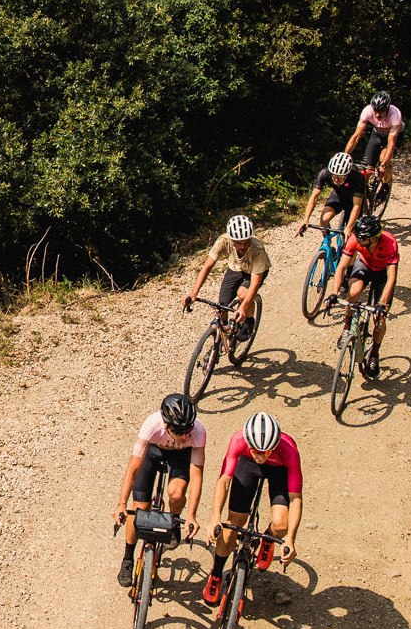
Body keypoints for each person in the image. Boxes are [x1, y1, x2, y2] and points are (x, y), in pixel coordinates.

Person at [202, 411, 303, 604]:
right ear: (249, 443)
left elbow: (296, 497)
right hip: (246, 466)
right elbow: (224, 481)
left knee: (281, 525)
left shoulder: (288, 449)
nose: (260, 456)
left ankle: (267, 540)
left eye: (266, 452)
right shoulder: (239, 440)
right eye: (256, 451)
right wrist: (215, 517)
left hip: (279, 470)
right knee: (232, 525)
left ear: (274, 446)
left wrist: (290, 538)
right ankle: (216, 573)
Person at [115, 393, 205, 586]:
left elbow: (196, 475)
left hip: (181, 456)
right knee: (139, 509)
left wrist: (191, 515)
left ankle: (174, 522)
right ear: (166, 425)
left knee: (177, 492)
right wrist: (121, 503)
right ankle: (128, 558)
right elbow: (133, 468)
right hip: (153, 451)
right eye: (178, 431)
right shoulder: (152, 424)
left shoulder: (198, 432)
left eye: (187, 430)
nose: (184, 436)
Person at [182, 215, 271, 346]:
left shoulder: (257, 249)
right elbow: (207, 266)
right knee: (222, 307)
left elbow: (255, 283)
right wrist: (193, 293)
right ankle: (223, 339)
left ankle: (249, 321)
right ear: (231, 238)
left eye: (246, 242)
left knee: (243, 294)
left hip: (253, 271)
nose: (242, 246)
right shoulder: (223, 240)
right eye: (238, 242)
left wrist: (243, 307)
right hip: (235, 267)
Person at [333, 214, 398, 377]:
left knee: (379, 320)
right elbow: (341, 267)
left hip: (382, 273)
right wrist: (333, 294)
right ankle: (347, 327)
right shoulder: (356, 239)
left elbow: (391, 278)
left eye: (362, 238)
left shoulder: (390, 243)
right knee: (353, 293)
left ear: (374, 238)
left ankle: (375, 353)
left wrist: (382, 304)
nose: (357, 239)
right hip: (365, 265)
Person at [342, 90, 403, 197]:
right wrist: (345, 155)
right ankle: (364, 196)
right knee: (366, 170)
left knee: (384, 158)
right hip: (377, 135)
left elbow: (391, 143)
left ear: (388, 109)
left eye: (382, 111)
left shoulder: (395, 114)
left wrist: (383, 165)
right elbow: (356, 136)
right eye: (376, 111)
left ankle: (385, 186)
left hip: (394, 137)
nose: (378, 115)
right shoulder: (367, 111)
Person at [295, 152, 364, 238]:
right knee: (323, 221)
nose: (336, 179)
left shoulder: (357, 178)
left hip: (352, 201)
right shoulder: (324, 173)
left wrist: (349, 227)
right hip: (338, 196)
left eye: (341, 177)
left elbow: (357, 205)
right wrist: (306, 219)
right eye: (334, 176)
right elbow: (314, 196)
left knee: (352, 238)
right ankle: (326, 242)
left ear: (348, 173)